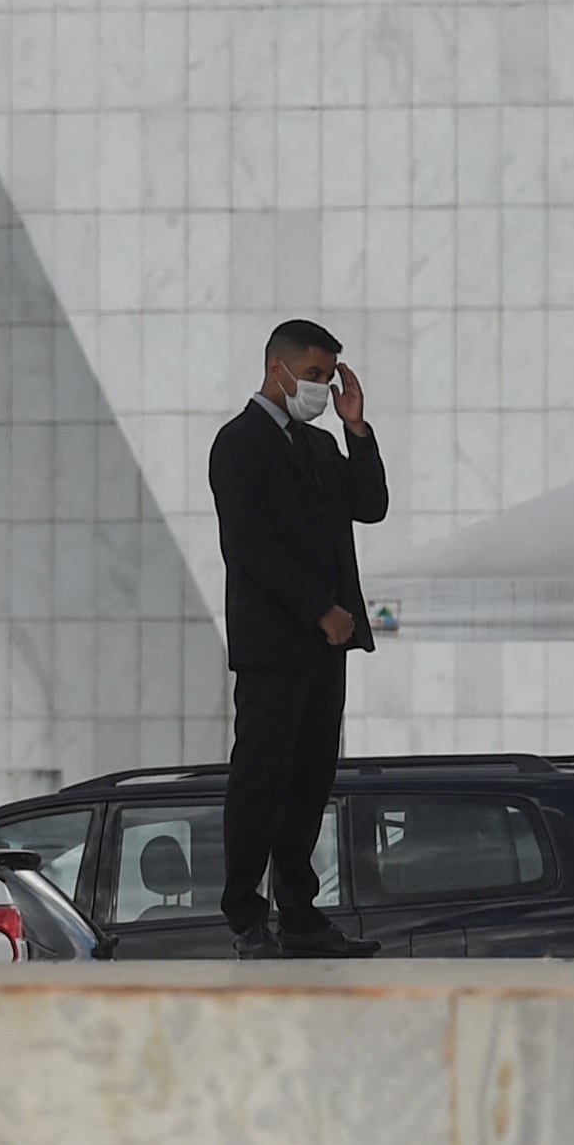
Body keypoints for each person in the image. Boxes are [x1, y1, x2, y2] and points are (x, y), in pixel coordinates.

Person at [208, 321, 388, 958]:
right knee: (262, 779)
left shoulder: (316, 446)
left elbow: (368, 505)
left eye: (328, 377)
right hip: (275, 644)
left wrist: (355, 428)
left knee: (311, 780)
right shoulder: (239, 443)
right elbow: (252, 547)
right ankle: (245, 915)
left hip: (325, 645)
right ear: (277, 368)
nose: (320, 387)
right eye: (314, 376)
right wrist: (320, 609)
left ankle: (301, 913)